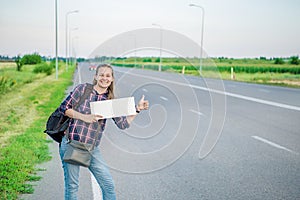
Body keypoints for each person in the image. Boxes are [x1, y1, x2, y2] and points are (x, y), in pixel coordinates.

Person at [58, 64, 149, 200]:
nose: (104, 78)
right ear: (96, 76)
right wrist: (85, 117)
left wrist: (137, 109)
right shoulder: (82, 89)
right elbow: (64, 108)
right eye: (101, 75)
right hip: (72, 143)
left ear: (112, 79)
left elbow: (123, 124)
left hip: (92, 148)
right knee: (72, 186)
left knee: (108, 185)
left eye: (108, 76)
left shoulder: (110, 100)